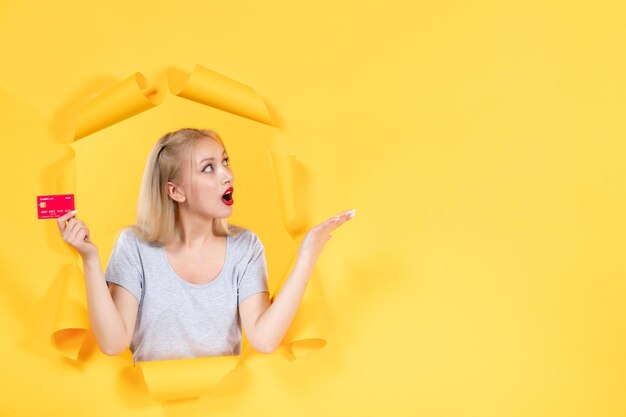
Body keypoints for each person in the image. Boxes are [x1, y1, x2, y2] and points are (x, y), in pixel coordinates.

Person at [56, 127, 355, 363]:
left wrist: (307, 256)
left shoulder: (245, 248)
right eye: (208, 168)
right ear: (176, 191)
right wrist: (91, 260)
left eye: (225, 162)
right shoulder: (134, 247)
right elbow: (112, 342)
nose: (228, 175)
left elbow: (264, 339)